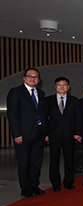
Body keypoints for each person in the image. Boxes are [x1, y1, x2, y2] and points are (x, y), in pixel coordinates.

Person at [6, 68, 47, 197]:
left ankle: (35, 184)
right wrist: (16, 134)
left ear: (39, 80)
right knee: (24, 161)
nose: (33, 78)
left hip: (39, 132)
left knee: (36, 160)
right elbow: (12, 114)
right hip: (23, 134)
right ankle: (25, 187)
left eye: (36, 77)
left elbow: (43, 113)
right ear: (24, 78)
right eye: (30, 76)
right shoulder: (16, 92)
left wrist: (45, 132)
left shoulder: (41, 93)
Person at [45, 77, 82, 191]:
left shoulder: (74, 100)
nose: (62, 87)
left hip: (69, 134)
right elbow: (45, 118)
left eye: (64, 84)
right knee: (54, 160)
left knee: (69, 159)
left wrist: (77, 133)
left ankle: (68, 182)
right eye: (59, 84)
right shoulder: (48, 100)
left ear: (68, 87)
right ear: (55, 87)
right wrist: (46, 134)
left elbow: (78, 118)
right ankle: (55, 184)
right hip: (54, 135)